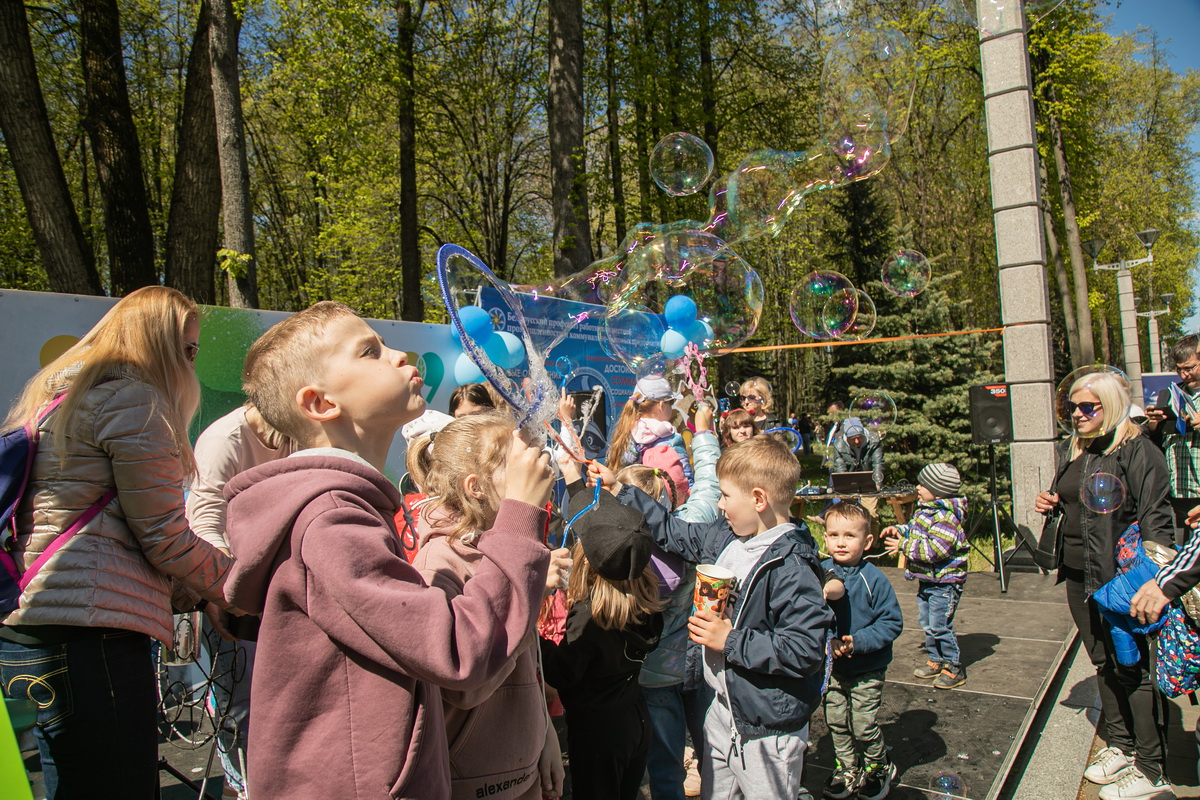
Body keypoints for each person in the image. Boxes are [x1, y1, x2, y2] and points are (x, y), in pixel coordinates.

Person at [222, 301, 553, 799]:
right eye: (370, 351)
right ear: (319, 404)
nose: (399, 355)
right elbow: (459, 652)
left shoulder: (341, 509)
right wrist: (520, 516)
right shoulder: (331, 520)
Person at [0, 286, 234, 798]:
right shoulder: (133, 399)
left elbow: (118, 532)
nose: (191, 363)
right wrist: (238, 586)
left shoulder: (61, 399)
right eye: (187, 349)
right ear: (156, 342)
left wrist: (189, 591)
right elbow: (164, 538)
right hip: (91, 634)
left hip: (35, 624)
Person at [590, 434, 833, 800]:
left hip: (765, 728)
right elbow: (676, 533)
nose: (719, 505)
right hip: (722, 713)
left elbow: (804, 649)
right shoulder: (729, 537)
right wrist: (622, 491)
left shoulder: (791, 568)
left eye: (725, 496)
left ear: (758, 499)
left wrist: (729, 640)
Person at [409, 412, 570, 800]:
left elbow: (527, 660)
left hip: (523, 769)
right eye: (515, 463)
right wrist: (522, 604)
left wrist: (544, 733)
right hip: (474, 781)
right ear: (476, 487)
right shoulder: (438, 564)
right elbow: (465, 683)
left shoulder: (502, 548)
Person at [1034, 369, 1176, 800]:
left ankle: (1151, 770)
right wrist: (1054, 503)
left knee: (1131, 667)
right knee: (1102, 661)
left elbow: (1157, 519)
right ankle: (1121, 744)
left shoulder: (1138, 450)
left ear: (1110, 405)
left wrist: (1155, 582)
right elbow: (1082, 501)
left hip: (1120, 579)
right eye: (1072, 406)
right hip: (1080, 575)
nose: (1076, 414)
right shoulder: (1079, 448)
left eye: (1086, 407)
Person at [186, 403, 295, 800]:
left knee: (285, 705)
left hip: (278, 593)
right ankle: (243, 787)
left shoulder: (294, 432)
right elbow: (203, 521)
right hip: (233, 594)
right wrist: (220, 593)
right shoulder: (224, 440)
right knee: (242, 708)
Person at [617, 403, 721, 800]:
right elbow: (711, 483)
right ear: (673, 492)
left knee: (664, 766)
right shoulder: (692, 522)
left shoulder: (621, 551)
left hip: (654, 676)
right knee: (715, 754)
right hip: (703, 661)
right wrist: (705, 432)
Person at [539, 489, 665, 800]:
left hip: (598, 735)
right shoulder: (646, 597)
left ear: (587, 556)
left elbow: (560, 673)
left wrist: (531, 629)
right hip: (635, 717)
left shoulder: (590, 617)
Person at [821, 502, 903, 800]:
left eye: (849, 536)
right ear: (825, 538)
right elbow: (815, 615)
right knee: (837, 720)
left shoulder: (875, 580)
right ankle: (846, 766)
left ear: (867, 542)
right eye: (833, 535)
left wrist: (858, 641)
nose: (840, 542)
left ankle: (878, 766)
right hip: (834, 667)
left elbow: (892, 622)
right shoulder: (822, 574)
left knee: (864, 724)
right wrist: (828, 641)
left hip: (867, 666)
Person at [882, 463, 969, 690]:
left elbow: (933, 551)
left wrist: (903, 545)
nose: (918, 487)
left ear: (938, 491)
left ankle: (954, 666)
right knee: (928, 622)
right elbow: (914, 530)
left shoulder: (947, 518)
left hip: (945, 582)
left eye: (923, 484)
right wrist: (898, 530)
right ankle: (936, 659)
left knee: (940, 625)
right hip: (929, 580)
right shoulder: (925, 510)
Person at [1145, 334, 1200, 539]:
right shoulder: (1170, 394)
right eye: (1179, 369)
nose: (1184, 375)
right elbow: (1156, 441)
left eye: (1190, 368)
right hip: (1175, 490)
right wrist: (1154, 423)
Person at [607, 375, 692, 482]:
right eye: (671, 403)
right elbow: (685, 481)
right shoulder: (672, 440)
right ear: (662, 405)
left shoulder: (624, 433)